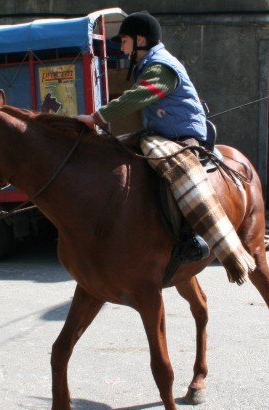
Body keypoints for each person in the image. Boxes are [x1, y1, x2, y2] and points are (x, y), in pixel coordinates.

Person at [76, 11, 209, 262]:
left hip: (182, 135)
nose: (122, 47)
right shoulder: (145, 64)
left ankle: (190, 236)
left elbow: (137, 96)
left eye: (124, 41)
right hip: (160, 133)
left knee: (176, 175)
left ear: (140, 39)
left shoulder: (160, 66)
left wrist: (96, 118)